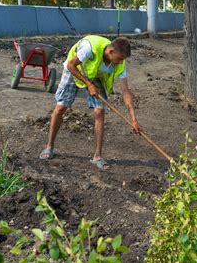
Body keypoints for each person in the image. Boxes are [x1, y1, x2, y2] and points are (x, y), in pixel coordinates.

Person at [39, 35, 141, 170]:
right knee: (61, 107)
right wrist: (88, 84)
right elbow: (71, 65)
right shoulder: (89, 48)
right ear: (110, 52)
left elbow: (126, 91)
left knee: (99, 111)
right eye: (119, 59)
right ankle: (49, 147)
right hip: (74, 70)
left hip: (95, 74)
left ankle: (97, 156)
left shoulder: (120, 63)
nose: (120, 62)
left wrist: (134, 119)